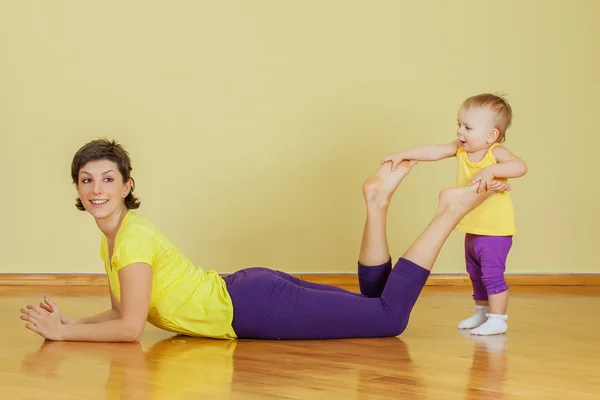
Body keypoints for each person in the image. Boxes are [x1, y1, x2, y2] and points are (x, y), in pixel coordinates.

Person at [20, 139, 510, 342]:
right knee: (374, 302)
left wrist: (63, 334)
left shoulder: (131, 239)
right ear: (78, 192)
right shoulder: (113, 244)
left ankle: (448, 211)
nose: (97, 189)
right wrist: (73, 320)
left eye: (108, 179)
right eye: (87, 180)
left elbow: (129, 331)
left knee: (388, 319)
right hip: (250, 291)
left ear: (127, 187)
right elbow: (123, 311)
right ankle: (377, 204)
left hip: (253, 308)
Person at [382, 93, 527, 335]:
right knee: (475, 274)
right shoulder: (460, 150)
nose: (460, 132)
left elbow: (520, 167)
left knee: (492, 274)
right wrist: (404, 154)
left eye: (468, 127)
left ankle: (498, 318)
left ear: (491, 135)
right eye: (459, 124)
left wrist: (492, 170)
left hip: (495, 230)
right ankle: (482, 314)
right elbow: (434, 151)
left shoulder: (496, 153)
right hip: (473, 226)